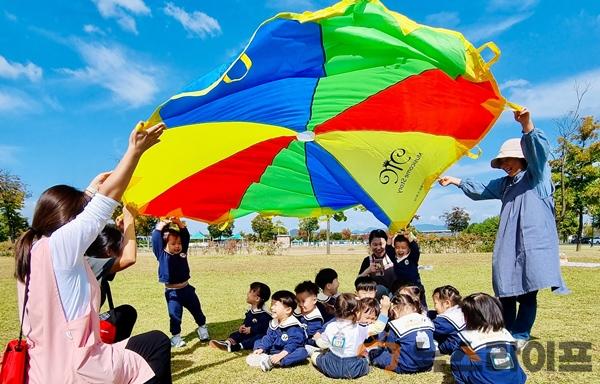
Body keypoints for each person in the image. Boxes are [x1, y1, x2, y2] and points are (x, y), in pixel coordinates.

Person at [14, 122, 172, 383]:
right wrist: (135, 151)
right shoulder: (61, 247)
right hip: (78, 369)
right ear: (68, 223)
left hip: (42, 370)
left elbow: (79, 214)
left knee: (148, 342)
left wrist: (88, 192)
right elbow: (104, 204)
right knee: (156, 343)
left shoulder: (31, 250)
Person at [439, 108, 568, 347]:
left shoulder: (537, 177)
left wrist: (527, 125)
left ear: (522, 157)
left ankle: (520, 334)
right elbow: (481, 189)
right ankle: (505, 330)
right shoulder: (506, 184)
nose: (506, 165)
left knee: (528, 293)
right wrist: (455, 180)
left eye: (509, 159)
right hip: (509, 244)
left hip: (531, 244)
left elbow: (538, 154)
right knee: (506, 290)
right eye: (503, 161)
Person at [152, 217, 209, 348]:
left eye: (179, 243)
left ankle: (202, 328)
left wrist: (178, 223)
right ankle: (176, 337)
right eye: (173, 244)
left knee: (197, 310)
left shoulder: (182, 252)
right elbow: (156, 238)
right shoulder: (161, 254)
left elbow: (185, 235)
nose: (177, 246)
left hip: (187, 289)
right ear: (165, 244)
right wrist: (162, 225)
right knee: (175, 316)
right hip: (172, 293)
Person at [85, 205, 139, 343]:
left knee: (127, 313)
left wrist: (123, 230)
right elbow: (129, 258)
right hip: (76, 334)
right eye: (121, 245)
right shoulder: (89, 264)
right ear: (109, 251)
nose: (124, 247)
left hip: (85, 325)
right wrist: (129, 220)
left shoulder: (98, 264)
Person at [451, 293, 526, 384]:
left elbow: (474, 358)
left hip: (485, 380)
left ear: (469, 317)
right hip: (515, 380)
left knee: (457, 355)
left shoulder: (469, 335)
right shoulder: (505, 333)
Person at [370, 293, 436, 374]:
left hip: (406, 366)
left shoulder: (397, 324)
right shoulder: (426, 319)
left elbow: (391, 348)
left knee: (376, 354)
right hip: (428, 364)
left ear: (395, 311)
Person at [309, 294, 370, 379]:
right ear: (356, 313)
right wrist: (385, 311)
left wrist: (317, 338)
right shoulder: (360, 328)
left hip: (331, 366)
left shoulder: (331, 326)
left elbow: (323, 344)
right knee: (365, 360)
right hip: (352, 369)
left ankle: (313, 352)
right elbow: (379, 327)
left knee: (316, 356)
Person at [247, 290, 308, 372]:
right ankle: (262, 355)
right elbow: (269, 337)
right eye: (272, 304)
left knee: (302, 352)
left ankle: (276, 362)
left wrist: (280, 355)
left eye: (275, 305)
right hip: (274, 349)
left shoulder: (294, 326)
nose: (272, 308)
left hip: (288, 351)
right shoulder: (274, 321)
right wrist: (262, 348)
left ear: (288, 310)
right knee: (258, 341)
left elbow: (294, 344)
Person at [209, 282, 272, 352]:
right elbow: (247, 321)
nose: (247, 293)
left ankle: (237, 346)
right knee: (236, 334)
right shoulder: (250, 311)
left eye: (250, 292)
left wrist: (251, 329)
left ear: (257, 299)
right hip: (247, 334)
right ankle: (227, 343)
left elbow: (264, 328)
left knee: (258, 338)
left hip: (255, 335)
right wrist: (243, 326)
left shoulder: (264, 315)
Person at [392, 232, 428, 309]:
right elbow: (388, 250)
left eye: (403, 247)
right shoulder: (394, 258)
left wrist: (410, 239)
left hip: (415, 285)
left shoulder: (412, 257)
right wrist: (389, 238)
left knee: (420, 305)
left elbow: (416, 250)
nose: (400, 250)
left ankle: (424, 312)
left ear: (409, 248)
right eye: (397, 247)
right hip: (399, 287)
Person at [357, 229, 397, 299]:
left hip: (395, 296)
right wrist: (368, 271)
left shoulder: (393, 257)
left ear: (386, 243)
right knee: (380, 289)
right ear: (370, 244)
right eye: (375, 245)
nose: (378, 248)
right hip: (375, 298)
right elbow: (358, 283)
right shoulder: (367, 260)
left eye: (381, 244)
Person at [431, 285, 465, 355]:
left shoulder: (446, 319)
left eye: (435, 303)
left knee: (422, 339)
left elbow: (429, 328)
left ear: (447, 303)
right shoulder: (460, 311)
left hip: (456, 348)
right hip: (469, 346)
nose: (435, 307)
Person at [294, 280, 324, 346]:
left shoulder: (315, 318)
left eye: (303, 301)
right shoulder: (295, 311)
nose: (300, 304)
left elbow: (311, 338)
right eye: (298, 301)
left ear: (314, 300)